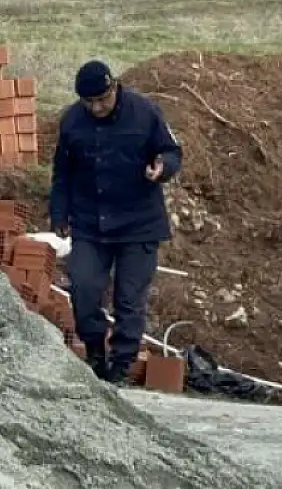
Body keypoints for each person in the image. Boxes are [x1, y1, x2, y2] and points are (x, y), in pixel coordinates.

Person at [50, 60, 183, 384]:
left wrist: (162, 167)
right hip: (90, 222)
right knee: (83, 288)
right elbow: (62, 173)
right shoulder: (72, 122)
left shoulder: (144, 112)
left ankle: (121, 367)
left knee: (129, 299)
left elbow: (171, 151)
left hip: (138, 223)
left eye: (102, 100)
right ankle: (95, 352)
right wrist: (59, 214)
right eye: (89, 102)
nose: (96, 108)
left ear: (114, 88)